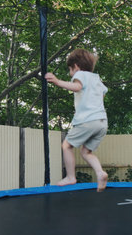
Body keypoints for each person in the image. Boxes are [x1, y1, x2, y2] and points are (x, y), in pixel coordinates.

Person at [45, 49, 108, 192]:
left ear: (76, 66)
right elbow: (102, 94)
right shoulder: (96, 78)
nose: (70, 73)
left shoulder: (80, 74)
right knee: (86, 152)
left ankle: (70, 177)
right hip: (102, 122)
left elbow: (77, 87)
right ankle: (100, 173)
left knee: (66, 146)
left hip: (87, 120)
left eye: (70, 69)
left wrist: (57, 82)